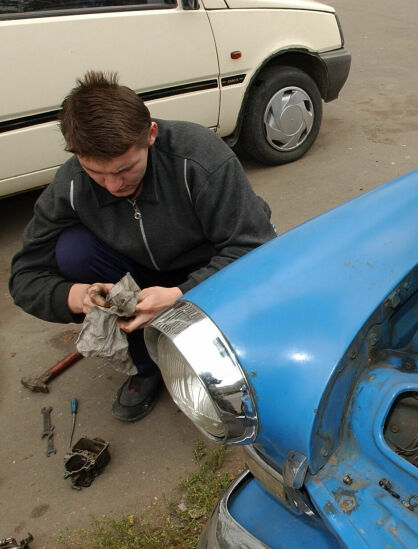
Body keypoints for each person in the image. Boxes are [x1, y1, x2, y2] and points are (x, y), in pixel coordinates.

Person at [9, 71, 276, 421]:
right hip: (140, 272)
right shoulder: (71, 184)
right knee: (73, 251)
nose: (112, 185)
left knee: (246, 346)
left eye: (124, 169)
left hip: (209, 263)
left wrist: (183, 294)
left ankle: (225, 349)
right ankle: (149, 366)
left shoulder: (198, 159)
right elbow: (24, 276)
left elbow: (255, 246)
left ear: (150, 134)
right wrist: (80, 296)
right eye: (96, 172)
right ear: (77, 156)